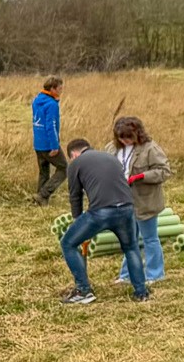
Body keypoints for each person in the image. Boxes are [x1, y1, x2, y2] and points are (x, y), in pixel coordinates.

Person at [58, 137, 148, 305]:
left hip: (101, 211)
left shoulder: (75, 164)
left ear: (74, 155)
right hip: (127, 208)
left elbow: (75, 196)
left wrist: (78, 222)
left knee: (67, 243)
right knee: (131, 247)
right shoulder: (110, 158)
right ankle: (141, 292)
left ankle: (83, 290)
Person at [107, 115, 171, 286]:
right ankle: (126, 274)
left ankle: (155, 274)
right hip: (122, 201)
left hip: (145, 201)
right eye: (121, 137)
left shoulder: (150, 148)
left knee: (150, 239)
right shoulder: (111, 149)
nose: (125, 141)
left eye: (129, 137)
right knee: (129, 240)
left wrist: (142, 176)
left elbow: (164, 171)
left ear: (137, 134)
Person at [32, 76, 66, 204]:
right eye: (60, 88)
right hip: (48, 144)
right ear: (52, 89)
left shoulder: (36, 100)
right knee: (64, 168)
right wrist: (54, 145)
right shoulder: (51, 104)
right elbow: (50, 125)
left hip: (38, 143)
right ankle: (43, 194)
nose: (61, 90)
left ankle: (39, 200)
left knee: (44, 172)